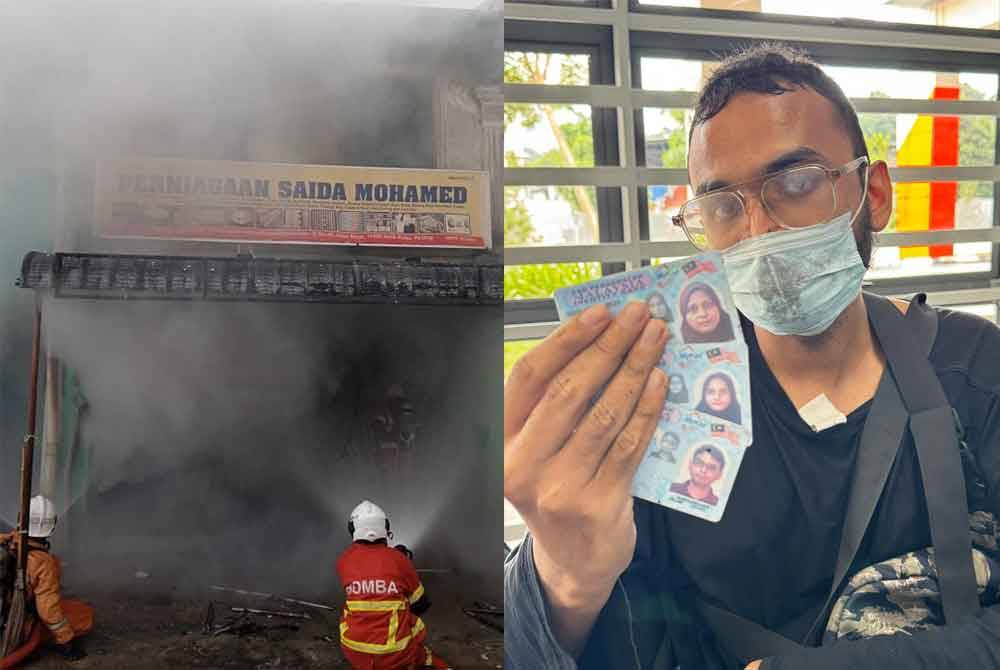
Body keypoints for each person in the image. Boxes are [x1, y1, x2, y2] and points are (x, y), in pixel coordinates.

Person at [503, 42, 1000, 670]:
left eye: (796, 183)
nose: (757, 234)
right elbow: (562, 645)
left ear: (873, 194)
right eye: (721, 206)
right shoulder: (665, 403)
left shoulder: (976, 371)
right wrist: (564, 580)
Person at [335, 500, 451, 670]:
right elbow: (420, 604)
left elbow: (369, 572)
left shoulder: (343, 561)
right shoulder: (399, 560)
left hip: (354, 652)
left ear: (353, 529)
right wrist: (403, 563)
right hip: (395, 656)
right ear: (385, 528)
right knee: (411, 622)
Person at [0, 496, 93, 663]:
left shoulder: (7, 543)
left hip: (5, 612)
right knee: (84, 616)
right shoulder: (44, 562)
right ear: (52, 525)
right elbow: (47, 610)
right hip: (14, 621)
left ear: (20, 519)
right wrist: (67, 641)